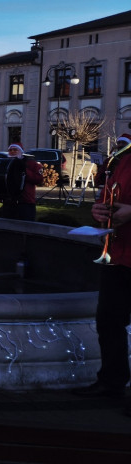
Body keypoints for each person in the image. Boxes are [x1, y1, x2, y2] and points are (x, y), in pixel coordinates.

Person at [74, 137, 131, 415]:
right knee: (108, 321)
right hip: (119, 253)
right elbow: (108, 194)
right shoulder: (123, 158)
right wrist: (99, 209)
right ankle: (112, 381)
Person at [0, 142, 43, 222]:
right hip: (8, 202)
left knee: (26, 224)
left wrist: (24, 170)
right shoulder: (6, 164)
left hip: (25, 201)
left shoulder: (31, 163)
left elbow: (38, 179)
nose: (12, 152)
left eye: (15, 150)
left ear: (21, 151)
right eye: (10, 150)